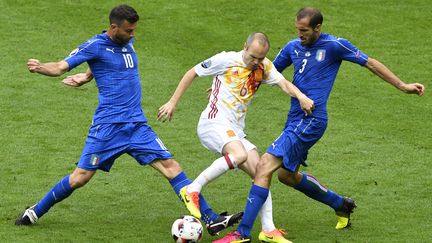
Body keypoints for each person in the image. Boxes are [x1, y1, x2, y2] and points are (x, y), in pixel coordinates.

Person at [15, 5, 242, 236]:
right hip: (108, 129)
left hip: (137, 126)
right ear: (114, 28)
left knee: (172, 168)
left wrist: (86, 76)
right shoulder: (94, 45)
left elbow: (104, 64)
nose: (133, 35)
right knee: (80, 178)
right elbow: (61, 67)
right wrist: (41, 67)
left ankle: (211, 219)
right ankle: (35, 211)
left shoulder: (127, 42)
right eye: (129, 30)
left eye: (134, 30)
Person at [215, 7, 425, 242]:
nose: (300, 34)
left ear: (317, 28)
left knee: (264, 166)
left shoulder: (335, 45)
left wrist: (402, 85)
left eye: (304, 30)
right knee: (286, 175)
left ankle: (242, 233)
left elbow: (371, 63)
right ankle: (341, 204)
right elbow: (262, 72)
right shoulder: (292, 47)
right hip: (294, 120)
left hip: (312, 119)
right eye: (297, 29)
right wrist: (228, 87)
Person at [158, 32, 314, 243]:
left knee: (262, 172)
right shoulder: (226, 59)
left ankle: (268, 230)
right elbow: (192, 72)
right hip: (213, 123)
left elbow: (283, 83)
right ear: (245, 47)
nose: (256, 62)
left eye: (261, 58)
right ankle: (192, 189)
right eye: (253, 57)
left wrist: (302, 96)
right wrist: (172, 102)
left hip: (235, 129)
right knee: (239, 154)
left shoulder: (263, 66)